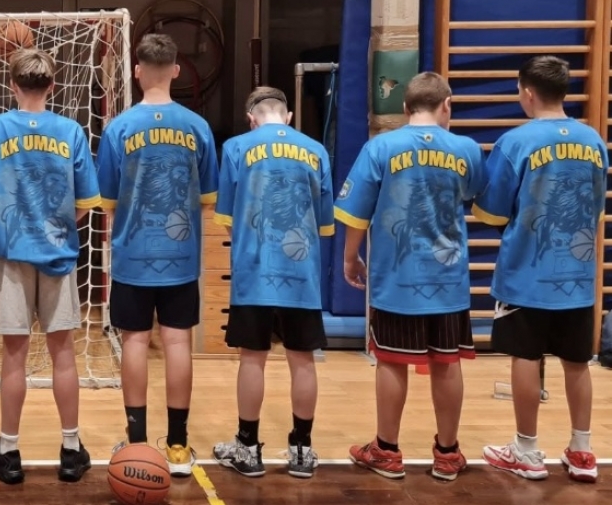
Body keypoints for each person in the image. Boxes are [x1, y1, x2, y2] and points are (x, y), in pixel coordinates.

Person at [335, 71, 485, 481]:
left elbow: (356, 213)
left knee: (391, 360)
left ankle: (386, 451)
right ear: (447, 105)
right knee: (447, 362)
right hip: (448, 281)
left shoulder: (380, 147)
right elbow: (475, 194)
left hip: (396, 279)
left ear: (405, 108)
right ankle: (448, 454)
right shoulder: (466, 149)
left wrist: (350, 258)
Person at [474, 56, 606, 483]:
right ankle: (583, 450)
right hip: (577, 279)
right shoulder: (594, 141)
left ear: (527, 92)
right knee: (577, 361)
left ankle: (527, 450)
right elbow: (596, 206)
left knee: (526, 357)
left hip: (525, 276)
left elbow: (491, 213)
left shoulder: (516, 142)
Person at [0, 48, 100, 484]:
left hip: (12, 254)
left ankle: (9, 451)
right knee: (62, 353)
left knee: (15, 355)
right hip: (58, 253)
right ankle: (71, 450)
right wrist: (56, 226)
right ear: (53, 85)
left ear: (12, 85)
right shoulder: (71, 130)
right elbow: (85, 202)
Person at [96, 32, 218, 476]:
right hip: (180, 259)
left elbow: (108, 201)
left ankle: (138, 444)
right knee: (177, 343)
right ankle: (179, 446)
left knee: (133, 341)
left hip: (132, 255)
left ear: (137, 71)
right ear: (177, 70)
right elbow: (207, 199)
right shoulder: (197, 127)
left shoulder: (119, 128)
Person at [210, 87, 334, 479]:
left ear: (251, 119)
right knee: (303, 359)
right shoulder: (316, 151)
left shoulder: (235, 147)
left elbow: (227, 219)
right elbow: (323, 224)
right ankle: (302, 450)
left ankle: (247, 449)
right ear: (289, 116)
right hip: (302, 275)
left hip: (254, 272)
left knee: (252, 357)